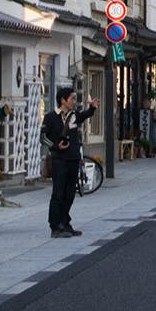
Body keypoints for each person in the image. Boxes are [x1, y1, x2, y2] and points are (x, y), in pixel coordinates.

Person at [41, 86, 97, 239]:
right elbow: (43, 137)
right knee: (58, 193)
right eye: (72, 98)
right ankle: (55, 225)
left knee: (70, 194)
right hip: (59, 160)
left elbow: (84, 115)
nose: (74, 101)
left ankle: (65, 222)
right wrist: (55, 146)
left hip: (73, 159)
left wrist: (92, 108)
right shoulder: (51, 117)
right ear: (63, 100)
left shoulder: (73, 115)